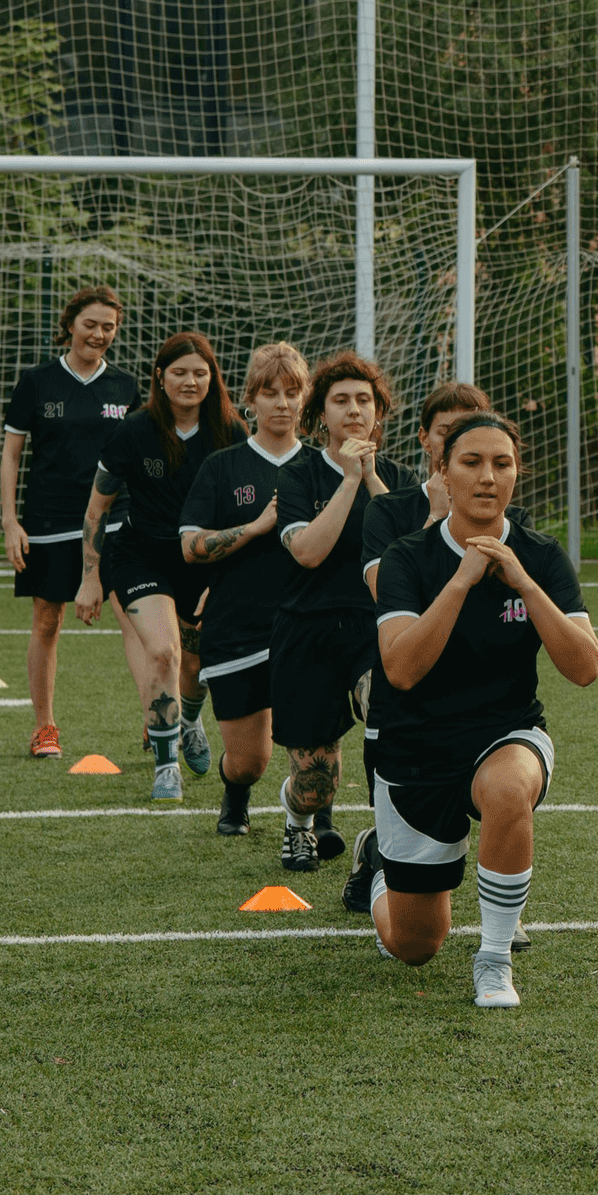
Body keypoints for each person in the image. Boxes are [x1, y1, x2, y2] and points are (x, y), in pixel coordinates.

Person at [349, 412, 598, 1009]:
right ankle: (382, 865)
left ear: (516, 476)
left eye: (502, 463)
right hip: (416, 747)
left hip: (505, 732)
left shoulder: (540, 555)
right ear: (443, 472)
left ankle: (493, 958)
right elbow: (402, 668)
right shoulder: (408, 558)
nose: (488, 477)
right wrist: (460, 581)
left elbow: (585, 666)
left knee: (510, 789)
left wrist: (525, 585)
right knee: (414, 944)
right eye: (471, 462)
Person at [176, 342, 327, 843]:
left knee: (314, 751)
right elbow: (191, 546)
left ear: (306, 400)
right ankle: (235, 793)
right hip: (237, 627)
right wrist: (259, 525)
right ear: (250, 400)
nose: (282, 403)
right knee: (250, 762)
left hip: (308, 628)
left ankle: (314, 813)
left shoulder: (328, 469)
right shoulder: (223, 467)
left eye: (292, 392)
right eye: (270, 392)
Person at [266, 350, 410, 869]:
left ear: (378, 412)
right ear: (320, 414)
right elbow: (307, 551)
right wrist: (349, 479)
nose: (354, 410)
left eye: (364, 400)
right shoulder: (298, 475)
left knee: (391, 722)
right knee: (315, 781)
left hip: (377, 628)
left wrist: (370, 477)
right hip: (308, 628)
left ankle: (386, 838)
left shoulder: (395, 478)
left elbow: (410, 551)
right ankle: (298, 820)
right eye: (341, 400)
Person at [81, 331, 235, 801]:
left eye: (200, 372)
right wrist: (90, 576)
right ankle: (167, 766)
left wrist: (229, 576)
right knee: (165, 652)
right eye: (180, 372)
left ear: (212, 378)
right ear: (160, 378)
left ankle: (189, 720)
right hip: (141, 555)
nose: (190, 381)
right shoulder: (133, 430)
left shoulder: (230, 432)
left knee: (196, 662)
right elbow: (96, 509)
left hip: (206, 561)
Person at [0, 286, 138, 760]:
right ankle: (44, 728)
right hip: (49, 521)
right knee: (47, 620)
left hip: (115, 525)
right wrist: (10, 522)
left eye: (108, 327)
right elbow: (12, 455)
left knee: (135, 617)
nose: (98, 335)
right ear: (71, 325)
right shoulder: (36, 383)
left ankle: (154, 720)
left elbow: (138, 458)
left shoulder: (126, 386)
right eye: (90, 324)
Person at [364, 382, 490, 535]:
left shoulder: (512, 517)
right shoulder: (386, 509)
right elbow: (393, 560)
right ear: (424, 438)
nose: (457, 443)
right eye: (445, 433)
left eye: (467, 433)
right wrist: (435, 516)